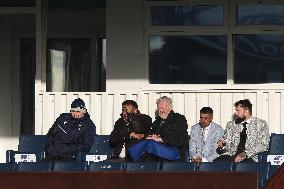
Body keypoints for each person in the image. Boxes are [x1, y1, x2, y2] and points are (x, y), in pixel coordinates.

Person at [128, 96, 188, 162]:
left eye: (163, 108)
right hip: (158, 151)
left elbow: (181, 139)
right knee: (142, 144)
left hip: (174, 151)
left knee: (149, 144)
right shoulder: (157, 122)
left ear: (170, 108)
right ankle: (132, 162)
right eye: (159, 108)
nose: (161, 110)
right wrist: (150, 136)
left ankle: (133, 162)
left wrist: (161, 139)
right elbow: (152, 134)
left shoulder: (179, 119)